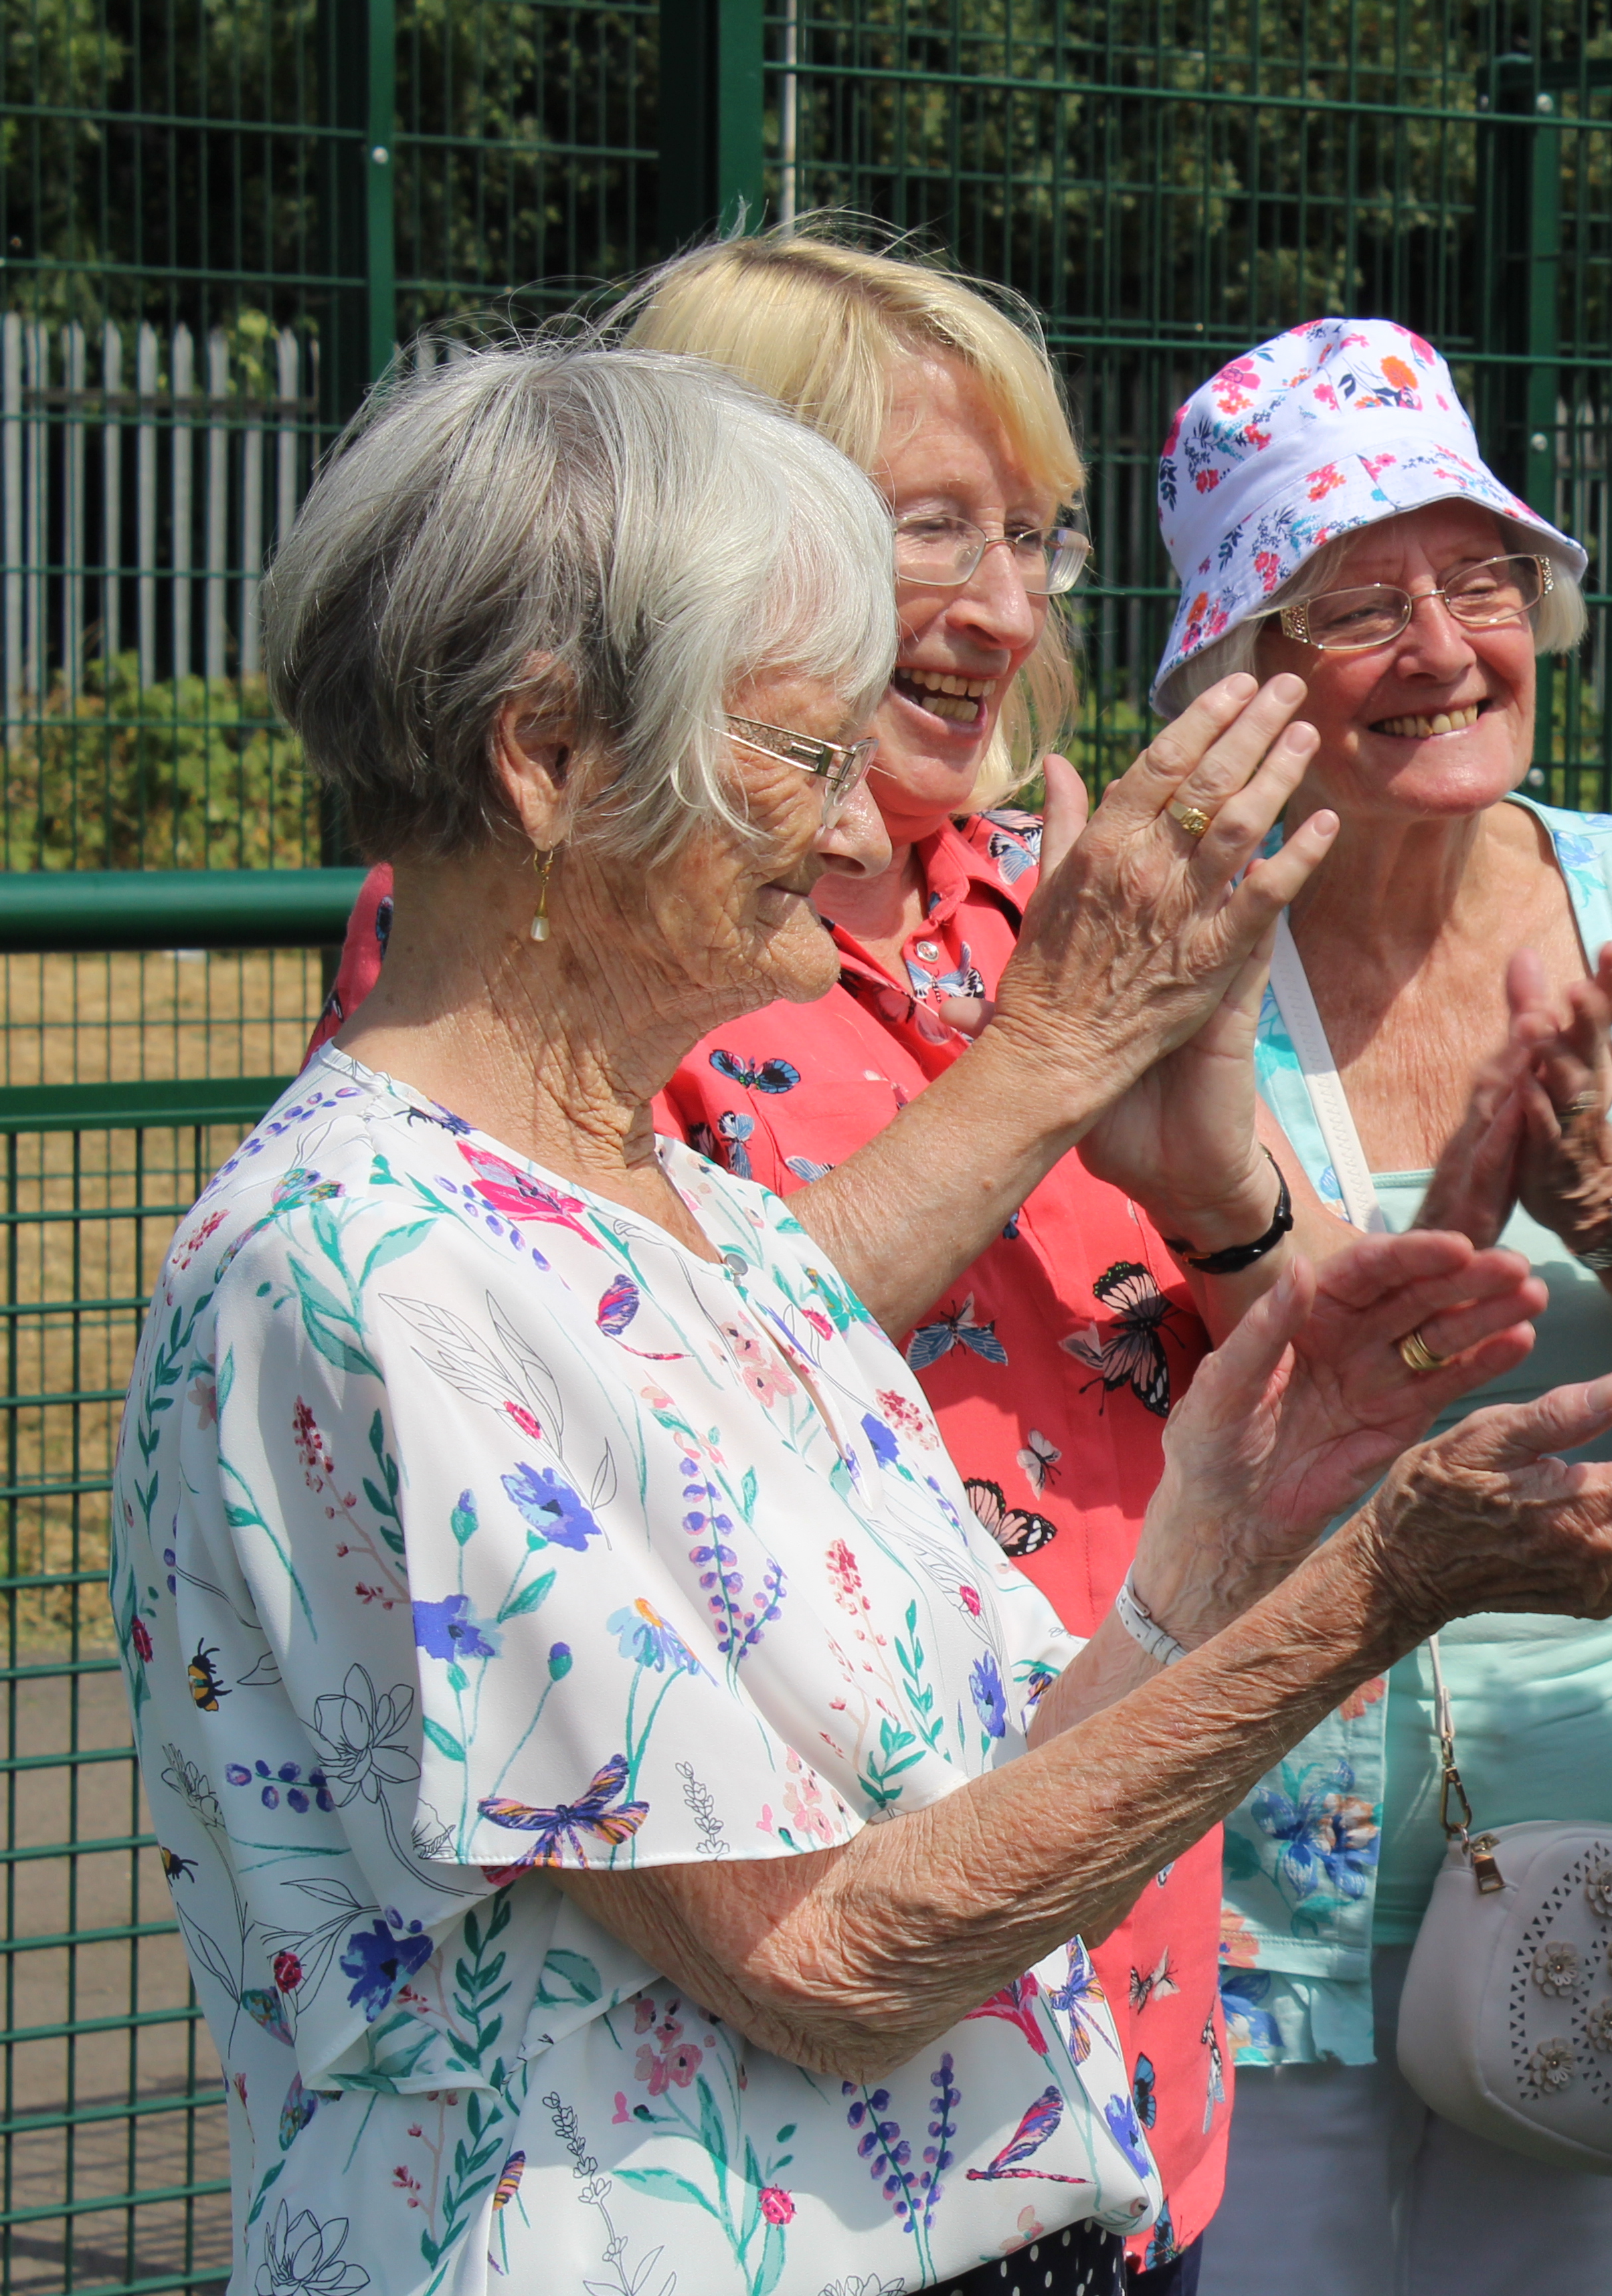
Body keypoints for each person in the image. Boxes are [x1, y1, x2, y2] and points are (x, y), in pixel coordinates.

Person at [115, 340, 1612, 2296]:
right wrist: (1382, 1593)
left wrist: (1244, 1512)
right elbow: (831, 1967)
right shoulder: (385, 1274)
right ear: (550, 756)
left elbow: (969, 1779)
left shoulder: (689, 1216)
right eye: (794, 751)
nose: (858, 829)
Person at [303, 219, 1339, 2274]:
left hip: (1102, 1973)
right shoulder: (538, 961)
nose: (1003, 603)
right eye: (930, 528)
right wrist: (1044, 1067)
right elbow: (638, 1382)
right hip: (771, 2062)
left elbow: (1311, 1394)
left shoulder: (1040, 892)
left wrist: (1221, 1188)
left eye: (1034, 532)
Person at [1145, 317, 1612, 2294]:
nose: (1446, 648)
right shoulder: (1171, 965)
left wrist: (1604, 1198)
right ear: (1243, 668)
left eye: (1480, 582)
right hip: (1243, 1884)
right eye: (1357, 602)